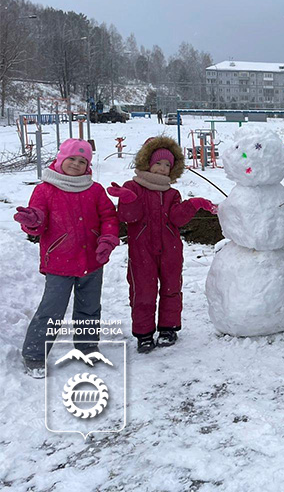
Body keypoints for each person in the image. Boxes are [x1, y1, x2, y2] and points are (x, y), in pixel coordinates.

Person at [14, 139, 119, 378]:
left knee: (90, 307)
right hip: (59, 262)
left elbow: (109, 218)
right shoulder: (45, 189)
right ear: (61, 160)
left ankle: (87, 345)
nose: (76, 164)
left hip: (92, 259)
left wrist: (107, 240)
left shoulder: (94, 190)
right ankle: (34, 353)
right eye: (72, 158)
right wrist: (33, 221)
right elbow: (38, 220)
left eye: (82, 161)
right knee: (51, 310)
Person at [107, 136, 217, 353]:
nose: (162, 168)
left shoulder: (171, 193)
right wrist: (128, 199)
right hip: (141, 251)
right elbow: (128, 217)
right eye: (158, 162)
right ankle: (144, 333)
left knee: (171, 288)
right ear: (147, 162)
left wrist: (193, 204)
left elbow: (177, 218)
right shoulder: (133, 187)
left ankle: (168, 328)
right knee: (143, 291)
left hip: (170, 249)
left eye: (167, 165)